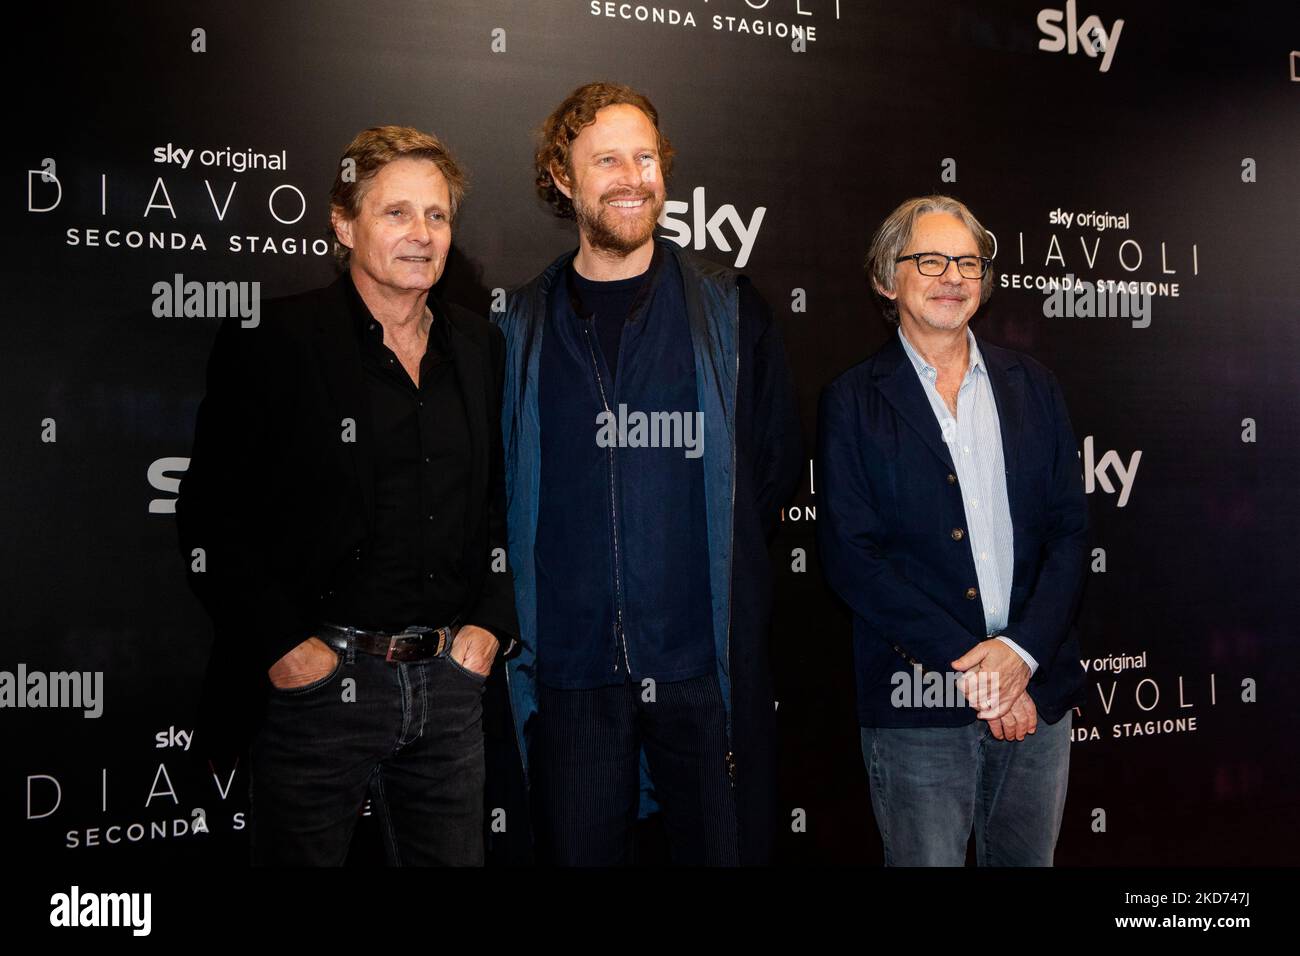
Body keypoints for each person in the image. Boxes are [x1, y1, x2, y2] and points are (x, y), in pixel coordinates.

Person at [176, 125, 518, 866]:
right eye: (396, 213)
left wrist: (488, 629)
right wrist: (288, 654)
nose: (421, 235)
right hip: (318, 689)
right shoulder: (274, 339)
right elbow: (211, 519)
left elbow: (496, 502)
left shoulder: (480, 344)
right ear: (342, 223)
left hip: (451, 690)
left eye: (437, 215)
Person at [494, 82, 802, 865]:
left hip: (701, 670)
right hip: (572, 675)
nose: (632, 177)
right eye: (606, 160)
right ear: (563, 180)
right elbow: (499, 490)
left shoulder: (731, 312)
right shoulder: (518, 328)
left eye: (646, 157)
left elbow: (766, 476)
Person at [817, 195, 1088, 866]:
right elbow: (852, 556)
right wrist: (983, 673)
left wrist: (1020, 656)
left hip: (1038, 695)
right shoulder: (852, 399)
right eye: (931, 260)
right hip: (920, 705)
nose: (954, 277)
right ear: (887, 279)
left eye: (968, 262)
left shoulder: (1036, 386)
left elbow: (1070, 534)